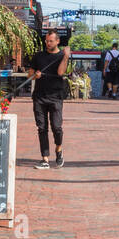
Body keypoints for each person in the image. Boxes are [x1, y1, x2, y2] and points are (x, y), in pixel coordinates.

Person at [29, 29, 71, 168]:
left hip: (56, 97)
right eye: (46, 41)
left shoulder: (62, 55)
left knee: (57, 127)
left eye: (51, 41)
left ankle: (59, 149)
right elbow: (30, 74)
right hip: (39, 96)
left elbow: (60, 72)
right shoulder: (38, 56)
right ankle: (45, 159)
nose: (48, 43)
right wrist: (36, 75)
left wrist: (66, 57)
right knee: (42, 128)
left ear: (57, 41)